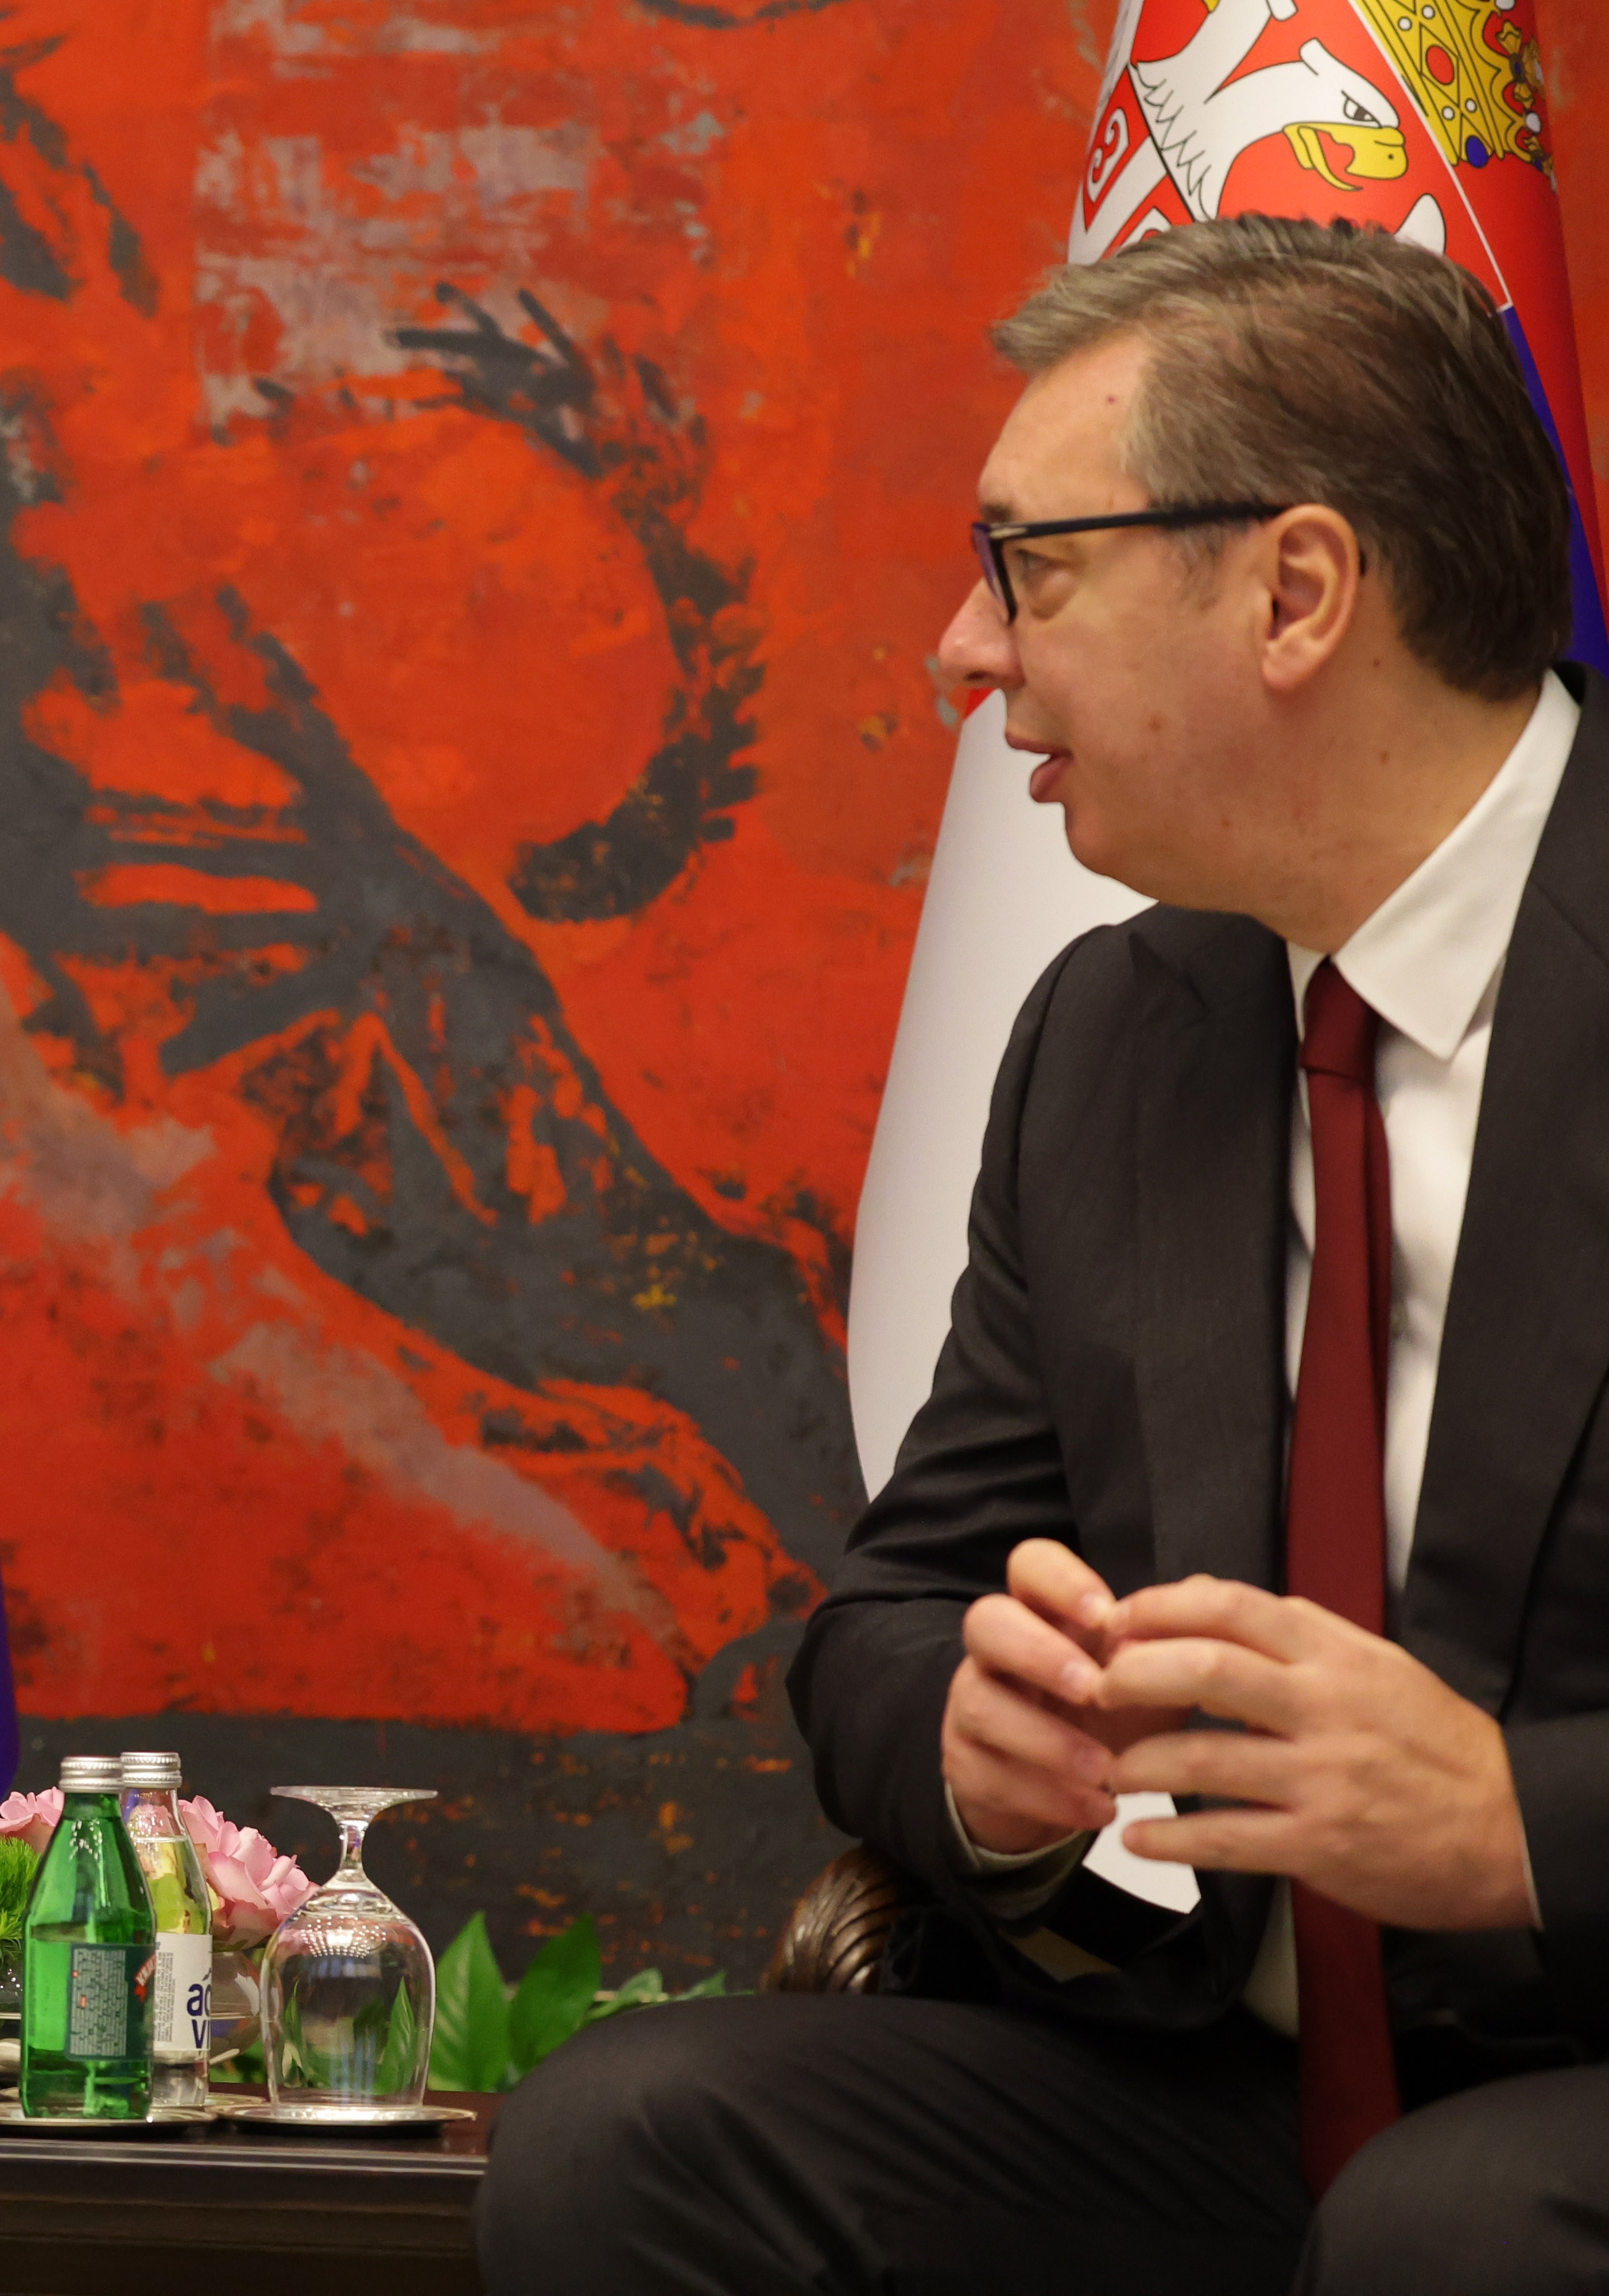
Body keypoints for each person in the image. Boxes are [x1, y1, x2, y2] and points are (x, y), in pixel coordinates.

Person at [479, 216, 1609, 2293]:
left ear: (1293, 589)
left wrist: (1514, 1819)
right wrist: (992, 1769)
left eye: (1031, 564)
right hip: (1220, 2082)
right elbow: (896, 1611)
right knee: (633, 2140)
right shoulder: (1121, 1027)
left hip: (1566, 2104)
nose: (963, 651)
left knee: (1446, 2233)